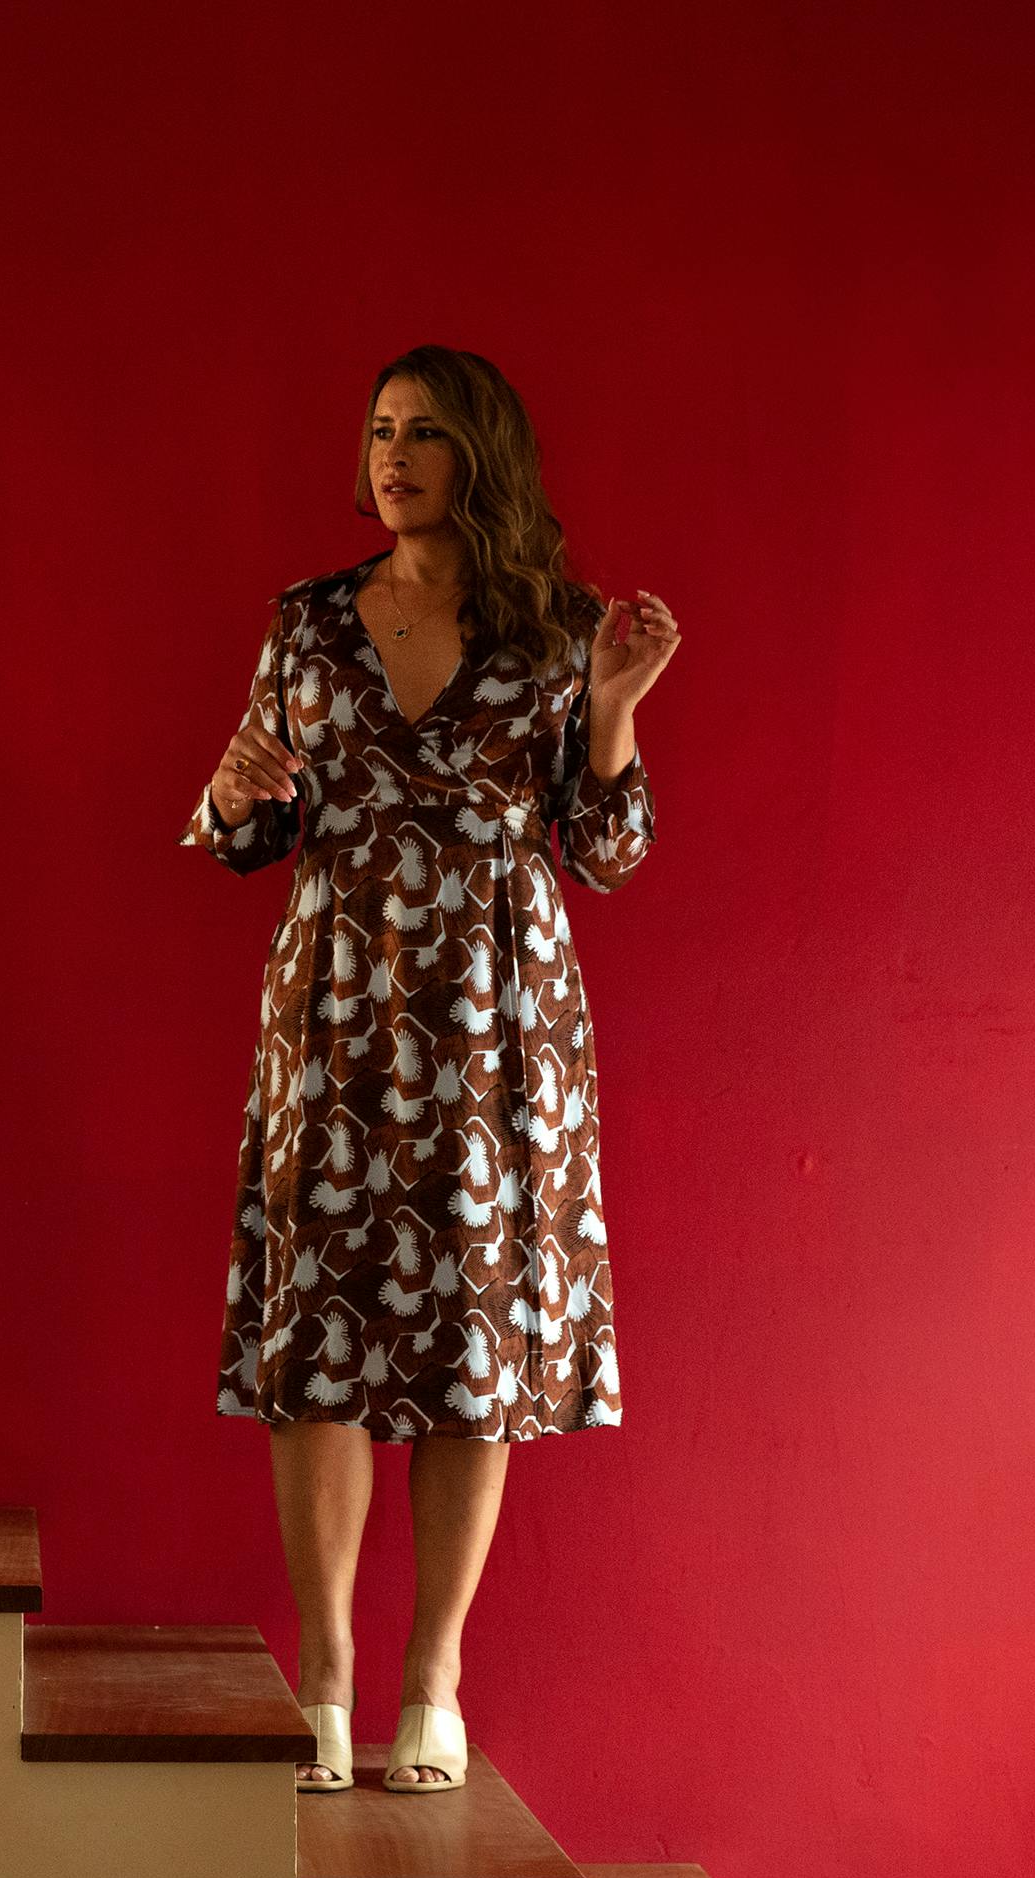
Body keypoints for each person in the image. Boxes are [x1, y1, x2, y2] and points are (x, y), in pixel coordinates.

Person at [179, 344, 681, 1795]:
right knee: (319, 1355)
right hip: (333, 1011)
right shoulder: (307, 623)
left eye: (427, 434)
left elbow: (607, 853)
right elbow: (245, 830)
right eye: (381, 431)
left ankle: (433, 1682)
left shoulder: (560, 628)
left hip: (495, 1027)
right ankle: (325, 1682)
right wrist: (225, 793)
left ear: (483, 458)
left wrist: (614, 710)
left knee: (472, 1354)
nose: (394, 456)